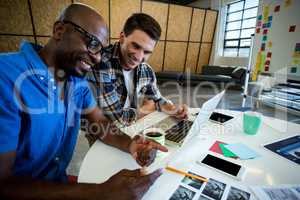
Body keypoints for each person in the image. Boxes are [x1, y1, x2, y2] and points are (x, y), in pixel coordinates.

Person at [0, 3, 168, 200]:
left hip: (58, 184)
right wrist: (100, 192)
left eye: (101, 50)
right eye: (93, 44)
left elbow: (102, 124)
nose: (97, 58)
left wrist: (132, 145)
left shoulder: (76, 81)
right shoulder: (6, 77)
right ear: (59, 30)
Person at [87, 13, 188, 127]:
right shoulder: (100, 64)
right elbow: (117, 121)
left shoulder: (145, 69)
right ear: (122, 37)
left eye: (146, 52)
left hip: (129, 128)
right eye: (136, 46)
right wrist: (148, 108)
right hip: (99, 133)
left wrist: (173, 109)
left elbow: (156, 99)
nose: (139, 57)